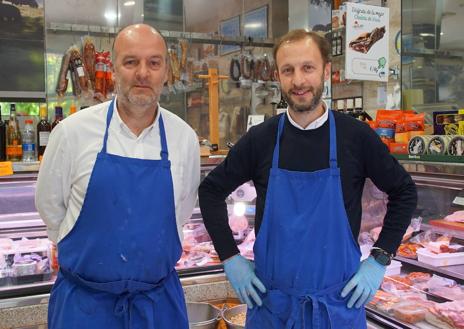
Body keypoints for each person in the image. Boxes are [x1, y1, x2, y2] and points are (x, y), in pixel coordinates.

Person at [199, 29, 417, 328]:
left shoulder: (355, 136)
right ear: (278, 75)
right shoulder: (261, 139)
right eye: (288, 70)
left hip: (336, 307)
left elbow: (404, 191)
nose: (298, 81)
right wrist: (230, 258)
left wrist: (379, 259)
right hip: (273, 308)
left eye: (308, 68)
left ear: (326, 70)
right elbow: (210, 190)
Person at [36, 24, 200, 329]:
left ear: (166, 71)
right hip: (85, 309)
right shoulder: (72, 133)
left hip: (156, 307)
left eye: (154, 63)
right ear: (113, 69)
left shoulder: (184, 139)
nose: (143, 73)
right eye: (130, 62)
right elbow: (50, 208)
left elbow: (183, 210)